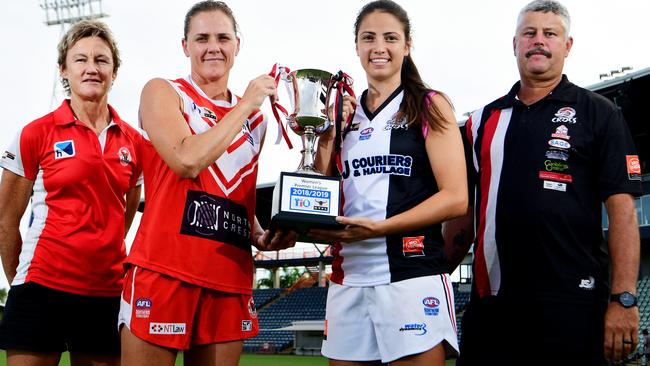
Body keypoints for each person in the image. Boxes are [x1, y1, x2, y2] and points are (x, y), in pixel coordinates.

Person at [447, 1, 642, 365]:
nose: (539, 41)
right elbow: (465, 211)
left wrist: (623, 298)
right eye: (529, 33)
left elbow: (623, 215)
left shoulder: (599, 113)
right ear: (515, 44)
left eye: (550, 34)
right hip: (494, 307)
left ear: (567, 46)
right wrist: (430, 272)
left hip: (573, 304)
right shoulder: (481, 122)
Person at [118, 2, 295, 366]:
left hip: (228, 277)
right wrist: (245, 104)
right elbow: (186, 160)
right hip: (165, 269)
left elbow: (239, 199)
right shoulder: (163, 92)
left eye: (222, 37)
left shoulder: (257, 123)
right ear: (185, 46)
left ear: (237, 46)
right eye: (202, 38)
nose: (213, 46)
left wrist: (260, 236)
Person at [310, 1, 468, 365]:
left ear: (407, 45)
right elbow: (316, 189)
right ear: (356, 47)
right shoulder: (342, 115)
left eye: (390, 38)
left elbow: (456, 198)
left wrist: (379, 228)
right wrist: (327, 134)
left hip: (411, 276)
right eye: (368, 38)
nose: (378, 47)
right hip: (348, 279)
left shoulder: (429, 105)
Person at [0, 20, 142, 366]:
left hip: (105, 293)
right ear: (63, 69)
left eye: (101, 60)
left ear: (114, 71)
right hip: (41, 288)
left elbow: (123, 215)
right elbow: (6, 222)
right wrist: (22, 280)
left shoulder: (135, 143)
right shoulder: (35, 133)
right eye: (80, 60)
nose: (91, 68)